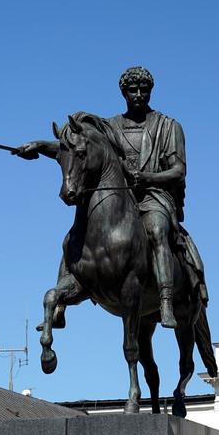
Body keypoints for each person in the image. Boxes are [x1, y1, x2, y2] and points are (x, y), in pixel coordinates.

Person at [14, 65, 208, 329]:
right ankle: (60, 307)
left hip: (153, 196)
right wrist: (38, 146)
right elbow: (75, 147)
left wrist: (147, 178)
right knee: (73, 238)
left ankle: (165, 300)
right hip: (118, 200)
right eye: (132, 90)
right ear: (123, 93)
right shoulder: (111, 127)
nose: (138, 94)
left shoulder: (169, 127)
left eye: (144, 89)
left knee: (156, 228)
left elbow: (178, 171)